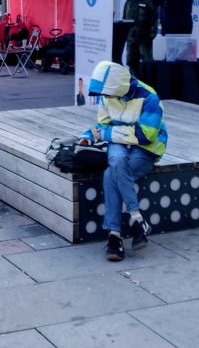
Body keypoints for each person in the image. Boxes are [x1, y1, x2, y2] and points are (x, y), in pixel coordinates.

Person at [78, 61, 167, 262]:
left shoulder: (149, 97)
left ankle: (114, 235)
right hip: (120, 141)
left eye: (107, 92)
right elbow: (103, 124)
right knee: (116, 160)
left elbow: (146, 136)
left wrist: (107, 133)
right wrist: (89, 135)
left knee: (111, 173)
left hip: (145, 148)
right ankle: (137, 219)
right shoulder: (108, 95)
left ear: (117, 86)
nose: (105, 97)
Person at [123, 0, 157, 74]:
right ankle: (134, 88)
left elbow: (154, 18)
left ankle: (147, 89)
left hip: (144, 40)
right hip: (131, 40)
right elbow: (125, 17)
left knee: (146, 67)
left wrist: (151, 35)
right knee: (132, 65)